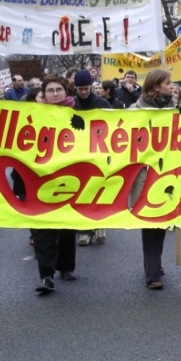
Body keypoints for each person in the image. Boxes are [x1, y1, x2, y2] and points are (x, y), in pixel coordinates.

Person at [129, 70, 177, 289]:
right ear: (156, 87)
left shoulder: (174, 109)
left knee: (162, 220)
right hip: (145, 173)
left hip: (167, 173)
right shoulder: (134, 111)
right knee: (149, 221)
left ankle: (155, 262)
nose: (172, 86)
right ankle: (152, 274)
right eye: (168, 83)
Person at [31, 75, 78, 294]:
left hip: (70, 176)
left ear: (66, 92)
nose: (55, 93)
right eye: (50, 90)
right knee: (44, 228)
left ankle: (66, 266)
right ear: (44, 94)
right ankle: (46, 275)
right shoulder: (32, 115)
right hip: (40, 177)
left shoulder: (76, 114)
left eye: (59, 89)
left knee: (66, 225)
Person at [73, 70, 112, 247]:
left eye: (86, 88)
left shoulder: (102, 103)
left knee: (99, 190)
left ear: (91, 86)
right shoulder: (71, 104)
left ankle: (100, 224)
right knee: (82, 192)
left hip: (99, 153)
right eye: (80, 89)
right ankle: (84, 230)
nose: (83, 92)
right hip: (78, 154)